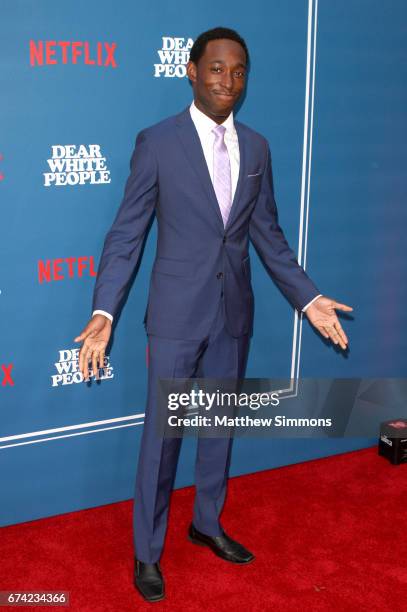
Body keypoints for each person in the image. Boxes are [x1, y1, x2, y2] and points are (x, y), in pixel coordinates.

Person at [74, 27, 353, 603]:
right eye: (218, 68)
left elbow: (267, 235)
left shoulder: (256, 147)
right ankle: (147, 552)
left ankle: (206, 523)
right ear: (193, 71)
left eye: (240, 70)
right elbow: (127, 234)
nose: (229, 80)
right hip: (176, 315)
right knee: (165, 436)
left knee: (217, 428)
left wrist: (308, 296)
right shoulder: (157, 142)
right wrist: (105, 310)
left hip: (233, 313)